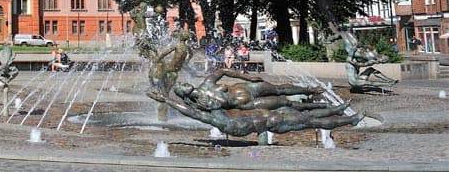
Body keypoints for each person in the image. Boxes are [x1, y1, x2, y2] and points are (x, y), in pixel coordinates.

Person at [149, 91, 363, 137]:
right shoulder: (215, 117)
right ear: (209, 106)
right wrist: (167, 100)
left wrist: (182, 97)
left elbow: (192, 106)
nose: (216, 100)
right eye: (212, 101)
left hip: (268, 115)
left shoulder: (222, 111)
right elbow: (190, 112)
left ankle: (337, 111)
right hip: (270, 122)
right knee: (310, 121)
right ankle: (349, 120)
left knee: (304, 113)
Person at [172, 69, 325, 111]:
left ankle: (309, 90)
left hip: (247, 87)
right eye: (181, 86)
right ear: (182, 94)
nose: (184, 83)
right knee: (283, 102)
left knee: (279, 89)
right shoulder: (201, 103)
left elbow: (223, 71)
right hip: (248, 104)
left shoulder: (206, 84)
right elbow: (223, 105)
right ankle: (318, 106)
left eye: (182, 82)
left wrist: (248, 78)